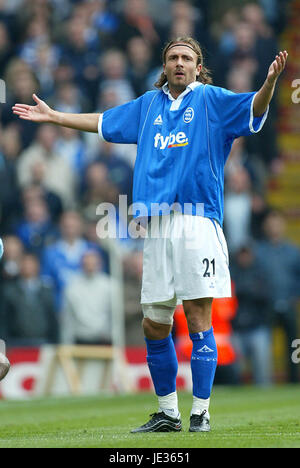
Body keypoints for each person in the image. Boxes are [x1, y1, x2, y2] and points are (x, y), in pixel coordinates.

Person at [12, 36, 288, 433]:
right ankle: (168, 413)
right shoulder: (147, 106)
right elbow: (103, 121)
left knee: (196, 316)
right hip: (156, 225)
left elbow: (254, 109)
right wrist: (56, 117)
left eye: (187, 58)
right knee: (154, 323)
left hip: (197, 221)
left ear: (198, 66)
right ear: (165, 65)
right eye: (173, 57)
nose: (179, 63)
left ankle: (202, 412)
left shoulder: (211, 99)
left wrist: (269, 85)